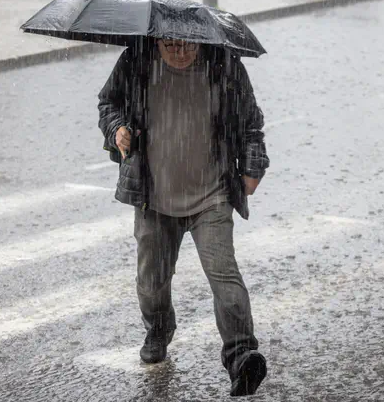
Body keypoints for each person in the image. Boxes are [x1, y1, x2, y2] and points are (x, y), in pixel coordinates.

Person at [97, 37, 270, 397]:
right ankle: (158, 330)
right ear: (157, 41)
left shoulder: (223, 65)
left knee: (225, 276)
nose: (180, 52)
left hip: (212, 194)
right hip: (154, 197)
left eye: (187, 44)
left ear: (200, 41)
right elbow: (108, 103)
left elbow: (251, 124)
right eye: (171, 44)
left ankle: (241, 355)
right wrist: (117, 130)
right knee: (152, 283)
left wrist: (253, 166)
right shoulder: (138, 60)